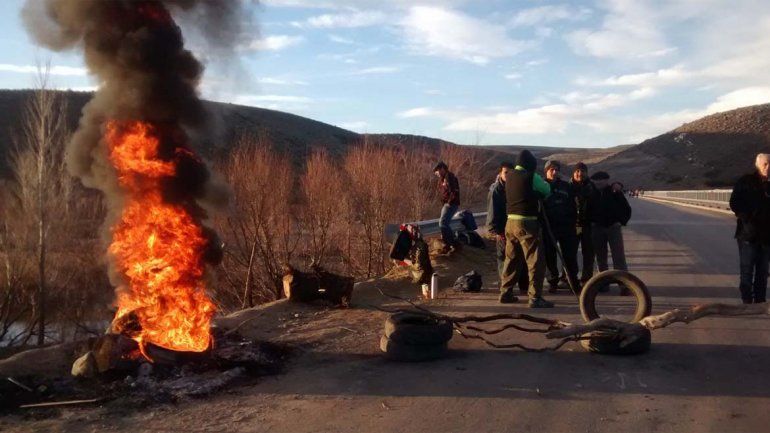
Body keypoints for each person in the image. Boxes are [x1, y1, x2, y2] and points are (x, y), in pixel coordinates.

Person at [500, 150, 554, 308]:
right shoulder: (532, 176)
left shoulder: (508, 175)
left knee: (511, 259)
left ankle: (506, 292)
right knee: (535, 261)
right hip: (527, 223)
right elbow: (546, 190)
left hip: (510, 223)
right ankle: (535, 297)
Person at [729, 153, 770, 304]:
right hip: (748, 235)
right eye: (765, 164)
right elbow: (734, 202)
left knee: (763, 271)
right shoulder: (746, 181)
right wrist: (747, 218)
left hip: (767, 236)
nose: (768, 167)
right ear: (758, 165)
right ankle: (747, 301)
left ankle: (760, 301)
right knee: (747, 270)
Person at [486, 161, 529, 297]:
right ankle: (504, 289)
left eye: (511, 173)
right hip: (502, 231)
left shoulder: (513, 187)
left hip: (514, 228)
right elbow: (492, 212)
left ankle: (523, 287)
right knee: (505, 261)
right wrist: (497, 231)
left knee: (520, 258)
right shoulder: (496, 190)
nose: (508, 175)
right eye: (506, 173)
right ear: (500, 173)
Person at [588, 171, 632, 294]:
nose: (599, 182)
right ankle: (603, 283)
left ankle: (624, 285)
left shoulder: (615, 192)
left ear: (607, 180)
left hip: (613, 228)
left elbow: (626, 209)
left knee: (619, 257)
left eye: (602, 179)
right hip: (597, 229)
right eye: (596, 180)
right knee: (600, 259)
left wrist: (621, 222)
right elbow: (587, 210)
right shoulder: (591, 193)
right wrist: (590, 222)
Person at [542, 160, 579, 293]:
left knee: (570, 255)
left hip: (566, 226)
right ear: (546, 171)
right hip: (549, 227)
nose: (554, 172)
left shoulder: (565, 186)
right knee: (550, 256)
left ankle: (572, 280)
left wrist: (573, 221)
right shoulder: (541, 186)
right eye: (551, 169)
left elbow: (573, 205)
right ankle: (552, 282)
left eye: (556, 169)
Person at [571, 162, 595, 284]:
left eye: (582, 171)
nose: (580, 174)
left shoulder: (592, 187)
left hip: (588, 226)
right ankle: (571, 279)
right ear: (573, 173)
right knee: (571, 253)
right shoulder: (568, 187)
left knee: (589, 253)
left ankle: (587, 279)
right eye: (577, 171)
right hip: (573, 226)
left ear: (586, 173)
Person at [433, 162, 460, 253]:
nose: (437, 174)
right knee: (444, 223)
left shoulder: (449, 176)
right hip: (448, 204)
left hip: (451, 204)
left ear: (442, 169)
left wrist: (449, 202)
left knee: (443, 223)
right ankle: (451, 244)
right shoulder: (444, 178)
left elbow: (454, 191)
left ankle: (451, 244)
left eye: (437, 171)